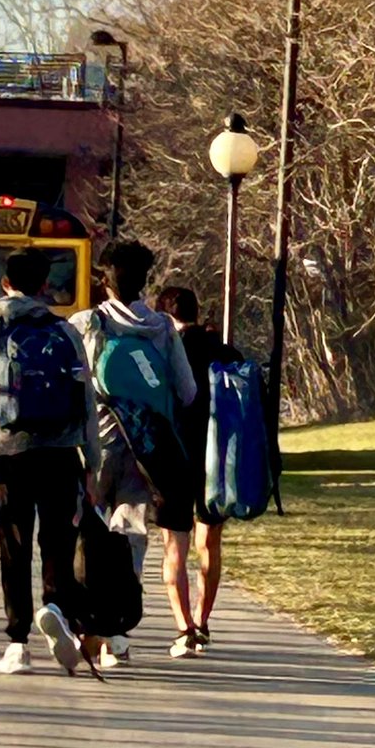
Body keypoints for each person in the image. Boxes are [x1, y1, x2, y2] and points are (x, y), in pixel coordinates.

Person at [0, 248, 100, 675]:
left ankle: (18, 642)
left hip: (11, 453)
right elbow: (86, 396)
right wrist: (91, 459)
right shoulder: (64, 331)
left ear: (5, 283)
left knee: (14, 545)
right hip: (61, 452)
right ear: (44, 285)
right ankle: (54, 607)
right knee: (58, 539)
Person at [70, 240, 199, 663]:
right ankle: (118, 633)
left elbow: (73, 384)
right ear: (145, 280)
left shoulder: (86, 323)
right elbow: (187, 391)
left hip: (96, 444)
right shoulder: (162, 328)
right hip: (147, 446)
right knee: (131, 537)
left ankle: (88, 623)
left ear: (104, 281)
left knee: (87, 532)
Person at [155, 286, 244, 653]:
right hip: (218, 459)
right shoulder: (225, 352)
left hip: (174, 457)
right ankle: (203, 621)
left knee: (174, 544)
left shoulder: (164, 352)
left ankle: (184, 628)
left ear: (165, 317)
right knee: (209, 544)